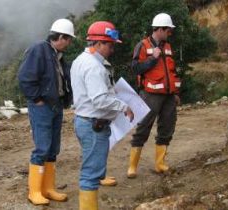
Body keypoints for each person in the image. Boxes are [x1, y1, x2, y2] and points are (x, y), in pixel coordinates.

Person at [71, 21, 134, 210]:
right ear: (98, 44)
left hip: (86, 121)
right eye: (110, 44)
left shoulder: (80, 60)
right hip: (93, 125)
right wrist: (123, 106)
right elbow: (99, 99)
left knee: (92, 169)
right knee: (90, 175)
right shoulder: (94, 67)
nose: (112, 49)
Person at [17, 18, 74, 205]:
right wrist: (37, 99)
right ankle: (34, 191)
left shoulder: (57, 54)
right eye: (69, 39)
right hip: (43, 106)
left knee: (52, 149)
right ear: (60, 37)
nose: (70, 43)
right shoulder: (39, 49)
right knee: (42, 148)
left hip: (56, 105)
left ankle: (48, 188)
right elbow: (25, 77)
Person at [128, 13, 181, 178]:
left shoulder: (168, 47)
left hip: (169, 95)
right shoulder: (142, 46)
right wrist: (152, 58)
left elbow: (172, 71)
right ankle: (132, 167)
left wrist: (176, 93)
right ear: (159, 29)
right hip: (150, 95)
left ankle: (160, 164)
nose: (170, 33)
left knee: (167, 128)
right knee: (143, 128)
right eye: (168, 30)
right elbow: (135, 68)